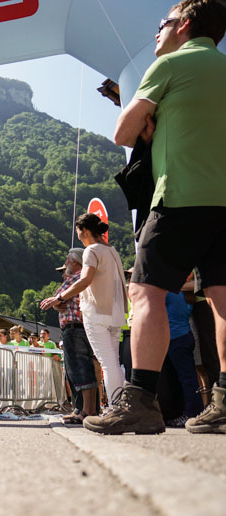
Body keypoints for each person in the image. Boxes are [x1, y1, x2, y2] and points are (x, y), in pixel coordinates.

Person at [99, 0, 226, 435]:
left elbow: (123, 132)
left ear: (184, 24)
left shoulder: (170, 65)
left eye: (163, 22)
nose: (158, 31)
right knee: (222, 299)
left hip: (180, 196)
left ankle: (140, 402)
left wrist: (150, 127)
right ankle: (224, 402)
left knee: (145, 292)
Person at [42, 214, 128, 419]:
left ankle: (114, 409)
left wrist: (59, 297)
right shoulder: (112, 251)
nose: (79, 237)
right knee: (113, 363)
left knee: (106, 363)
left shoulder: (91, 250)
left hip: (97, 312)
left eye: (78, 233)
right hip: (115, 312)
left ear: (85, 231)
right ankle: (118, 406)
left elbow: (85, 279)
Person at [41, 248, 98, 424]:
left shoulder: (76, 277)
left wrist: (57, 301)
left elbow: (58, 297)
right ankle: (87, 409)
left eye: (67, 260)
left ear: (75, 262)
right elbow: (60, 301)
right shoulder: (84, 277)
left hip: (74, 328)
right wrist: (58, 302)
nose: (65, 264)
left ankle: (86, 411)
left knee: (80, 370)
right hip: (83, 327)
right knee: (84, 368)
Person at [162, 291, 205, 426]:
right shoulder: (186, 296)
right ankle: (189, 412)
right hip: (184, 336)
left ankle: (193, 413)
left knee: (186, 379)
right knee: (187, 378)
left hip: (175, 339)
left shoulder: (170, 294)